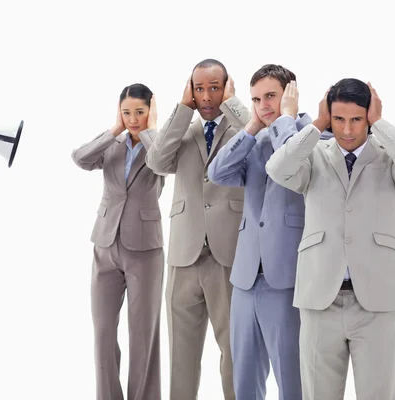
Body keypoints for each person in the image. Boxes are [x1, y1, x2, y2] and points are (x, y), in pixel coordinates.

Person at [265, 78, 395, 399]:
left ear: (368, 116)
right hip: (319, 300)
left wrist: (380, 122)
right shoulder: (313, 157)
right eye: (339, 119)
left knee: (378, 394)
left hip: (376, 303)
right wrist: (317, 125)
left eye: (357, 119)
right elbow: (277, 168)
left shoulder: (389, 159)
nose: (348, 129)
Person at [208, 64, 331, 399]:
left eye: (271, 96)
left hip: (287, 275)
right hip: (246, 276)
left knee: (291, 378)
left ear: (290, 93)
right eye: (256, 99)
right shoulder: (254, 140)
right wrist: (249, 128)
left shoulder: (316, 135)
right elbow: (217, 173)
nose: (263, 105)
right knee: (244, 379)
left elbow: (296, 161)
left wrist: (285, 120)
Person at [145, 59, 250, 400]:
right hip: (183, 255)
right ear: (191, 90)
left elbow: (264, 141)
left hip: (228, 254)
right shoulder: (183, 131)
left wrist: (233, 104)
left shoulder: (241, 130)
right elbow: (157, 162)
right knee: (181, 358)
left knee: (235, 354)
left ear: (227, 87)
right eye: (199, 89)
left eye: (214, 88)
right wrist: (182, 108)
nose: (207, 97)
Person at [71, 83, 165, 400]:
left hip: (144, 250)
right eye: (127, 112)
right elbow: (80, 158)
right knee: (102, 333)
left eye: (139, 112)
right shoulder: (113, 144)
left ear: (151, 110)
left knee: (142, 336)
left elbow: (166, 161)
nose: (133, 119)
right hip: (105, 245)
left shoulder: (161, 144)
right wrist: (114, 129)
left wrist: (150, 129)